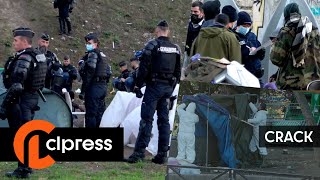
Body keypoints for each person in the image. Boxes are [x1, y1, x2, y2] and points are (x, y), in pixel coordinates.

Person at [127, 20, 181, 164]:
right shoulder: (175, 48)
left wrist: (138, 86)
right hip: (167, 89)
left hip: (153, 87)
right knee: (164, 122)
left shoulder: (153, 45)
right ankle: (162, 154)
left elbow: (143, 68)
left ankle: (138, 153)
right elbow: (178, 72)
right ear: (167, 31)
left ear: (157, 31)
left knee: (146, 119)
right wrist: (170, 87)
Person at [0, 27, 47, 178]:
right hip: (31, 98)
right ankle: (26, 166)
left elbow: (17, 86)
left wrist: (4, 106)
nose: (13, 43)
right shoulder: (37, 55)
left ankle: (22, 169)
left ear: (24, 41)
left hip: (21, 101)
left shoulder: (25, 58)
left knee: (20, 135)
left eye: (15, 40)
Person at [270, 3, 320, 90]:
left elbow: (276, 59)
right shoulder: (315, 32)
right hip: (314, 84)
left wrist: (275, 45)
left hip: (292, 85)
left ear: (286, 16)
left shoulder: (286, 32)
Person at [79, 32, 111, 128]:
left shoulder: (93, 54)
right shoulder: (103, 55)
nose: (87, 45)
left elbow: (90, 70)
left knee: (91, 114)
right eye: (87, 43)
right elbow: (108, 72)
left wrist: (83, 89)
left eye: (90, 43)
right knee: (99, 114)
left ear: (96, 44)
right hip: (102, 87)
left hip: (94, 87)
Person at [234, 11, 265, 86]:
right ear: (238, 25)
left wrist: (260, 51)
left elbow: (261, 53)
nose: (247, 28)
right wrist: (248, 52)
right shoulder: (234, 36)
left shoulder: (252, 36)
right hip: (242, 76)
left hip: (255, 75)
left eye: (248, 26)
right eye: (244, 26)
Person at [248, 102, 268, 166]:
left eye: (259, 105)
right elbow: (254, 110)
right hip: (257, 130)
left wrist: (248, 120)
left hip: (259, 130)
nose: (257, 106)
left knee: (261, 145)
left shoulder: (261, 113)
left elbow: (256, 120)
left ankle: (264, 162)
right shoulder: (259, 112)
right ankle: (257, 160)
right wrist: (250, 103)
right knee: (252, 145)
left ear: (260, 107)